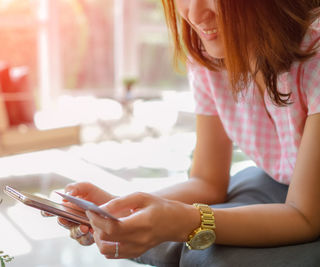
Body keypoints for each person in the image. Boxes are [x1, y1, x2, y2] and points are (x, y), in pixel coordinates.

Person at [47, 0, 320, 266]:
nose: (197, 13)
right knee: (171, 238)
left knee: (204, 251)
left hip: (305, 208)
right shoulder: (209, 54)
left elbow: (305, 217)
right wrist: (120, 207)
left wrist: (189, 221)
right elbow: (207, 181)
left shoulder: (315, 51)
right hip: (282, 186)